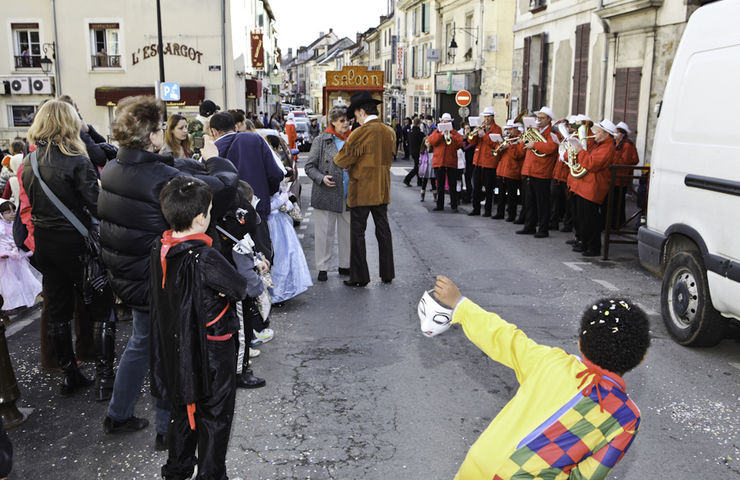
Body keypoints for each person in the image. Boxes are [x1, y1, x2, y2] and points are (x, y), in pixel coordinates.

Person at [99, 96, 238, 449]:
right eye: (161, 128)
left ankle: (119, 413)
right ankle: (166, 428)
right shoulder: (157, 176)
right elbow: (218, 190)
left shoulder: (114, 167)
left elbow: (169, 173)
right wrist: (215, 160)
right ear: (152, 136)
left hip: (128, 274)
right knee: (170, 350)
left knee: (142, 343)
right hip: (159, 278)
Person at [432, 275, 650, 480]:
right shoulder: (626, 418)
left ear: (580, 344)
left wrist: (461, 304)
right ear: (641, 358)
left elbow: (504, 336)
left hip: (480, 464)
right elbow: (586, 476)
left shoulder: (550, 361)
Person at [151, 176, 245, 479]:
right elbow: (239, 287)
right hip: (211, 350)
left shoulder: (161, 248)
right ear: (200, 217)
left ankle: (177, 470)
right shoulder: (205, 256)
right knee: (215, 418)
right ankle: (211, 473)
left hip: (177, 348)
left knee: (181, 413)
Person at [21, 100, 116, 399]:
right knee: (102, 307)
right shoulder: (76, 159)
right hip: (76, 243)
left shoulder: (29, 161)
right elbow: (95, 206)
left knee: (58, 311)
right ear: (69, 122)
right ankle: (105, 380)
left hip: (46, 244)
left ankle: (70, 375)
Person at [334, 91, 396, 287]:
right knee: (383, 231)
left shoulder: (360, 133)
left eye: (356, 115)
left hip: (361, 189)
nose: (356, 119)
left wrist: (352, 166)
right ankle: (387, 273)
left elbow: (341, 159)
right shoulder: (389, 131)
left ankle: (360, 276)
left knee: (358, 233)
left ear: (361, 112)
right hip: (382, 188)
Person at [208, 112, 285, 222]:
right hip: (258, 207)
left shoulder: (211, 150)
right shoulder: (255, 140)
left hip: (227, 217)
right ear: (235, 127)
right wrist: (269, 193)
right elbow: (275, 174)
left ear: (213, 131)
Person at [304, 106, 351, 282]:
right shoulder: (321, 140)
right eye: (342, 121)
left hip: (348, 193)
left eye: (347, 120)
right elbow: (309, 166)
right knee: (324, 233)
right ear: (333, 122)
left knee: (348, 233)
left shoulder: (353, 139)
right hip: (326, 192)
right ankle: (322, 267)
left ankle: (345, 264)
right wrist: (321, 178)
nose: (346, 124)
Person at [570, 120, 618, 257]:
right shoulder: (599, 145)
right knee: (583, 217)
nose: (595, 133)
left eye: (598, 131)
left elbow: (592, 164)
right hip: (586, 185)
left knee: (590, 219)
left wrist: (580, 151)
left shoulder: (607, 148)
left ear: (606, 134)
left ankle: (593, 247)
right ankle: (585, 243)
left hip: (594, 187)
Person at [518, 107, 559, 238]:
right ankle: (529, 226)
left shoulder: (553, 133)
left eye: (541, 118)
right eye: (538, 118)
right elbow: (525, 148)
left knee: (542, 203)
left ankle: (543, 229)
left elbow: (550, 148)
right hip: (531, 170)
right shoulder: (536, 131)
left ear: (549, 120)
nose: (538, 120)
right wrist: (523, 140)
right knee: (530, 201)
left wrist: (534, 144)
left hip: (542, 172)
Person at [0, 201, 41, 310]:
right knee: (10, 281)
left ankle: (26, 299)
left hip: (18, 254)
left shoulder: (15, 225)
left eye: (14, 210)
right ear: (2, 214)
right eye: (8, 212)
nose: (12, 213)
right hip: (7, 257)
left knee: (24, 277)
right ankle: (14, 303)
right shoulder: (1, 227)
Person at [468, 107, 503, 217]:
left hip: (489, 162)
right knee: (476, 187)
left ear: (493, 117)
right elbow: (471, 142)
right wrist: (474, 133)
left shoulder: (497, 129)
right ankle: (476, 209)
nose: (486, 119)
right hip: (478, 161)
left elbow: (496, 145)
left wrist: (484, 135)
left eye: (488, 116)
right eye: (485, 116)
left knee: (489, 188)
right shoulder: (480, 126)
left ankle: (487, 210)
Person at [427, 113, 464, 212]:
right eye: (444, 121)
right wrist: (440, 134)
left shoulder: (455, 133)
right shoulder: (437, 131)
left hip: (451, 162)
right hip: (439, 162)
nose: (445, 123)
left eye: (447, 122)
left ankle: (454, 206)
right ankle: (440, 205)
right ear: (441, 122)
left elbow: (460, 144)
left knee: (452, 185)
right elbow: (432, 141)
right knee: (440, 185)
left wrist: (452, 136)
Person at [494, 120, 525, 222]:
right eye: (508, 129)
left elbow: (518, 155)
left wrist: (510, 146)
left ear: (516, 128)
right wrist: (499, 148)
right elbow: (498, 155)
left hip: (513, 171)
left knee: (512, 196)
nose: (509, 131)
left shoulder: (521, 139)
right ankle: (500, 212)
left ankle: (511, 215)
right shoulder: (508, 138)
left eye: (511, 129)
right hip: (502, 170)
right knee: (501, 194)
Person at [612, 121, 639, 228]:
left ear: (622, 134)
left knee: (619, 201)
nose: (615, 134)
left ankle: (618, 222)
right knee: (615, 200)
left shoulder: (627, 145)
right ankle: (615, 221)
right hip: (616, 176)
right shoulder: (618, 142)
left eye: (617, 132)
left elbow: (625, 161)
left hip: (620, 177)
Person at [403, 118, 425, 187]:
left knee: (417, 165)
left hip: (412, 151)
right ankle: (407, 179)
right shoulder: (420, 134)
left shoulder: (410, 133)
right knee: (417, 167)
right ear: (419, 124)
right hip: (419, 151)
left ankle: (419, 181)